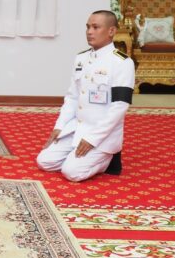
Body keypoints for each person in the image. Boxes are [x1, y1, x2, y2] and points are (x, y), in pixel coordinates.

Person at [36, 10, 135, 182]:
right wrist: (60, 126)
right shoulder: (81, 58)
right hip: (77, 127)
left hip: (101, 134)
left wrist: (92, 139)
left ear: (111, 31)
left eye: (96, 27)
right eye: (88, 27)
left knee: (72, 173)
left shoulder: (122, 62)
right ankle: (77, 157)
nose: (89, 32)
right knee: (44, 162)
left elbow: (120, 106)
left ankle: (107, 161)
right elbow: (72, 97)